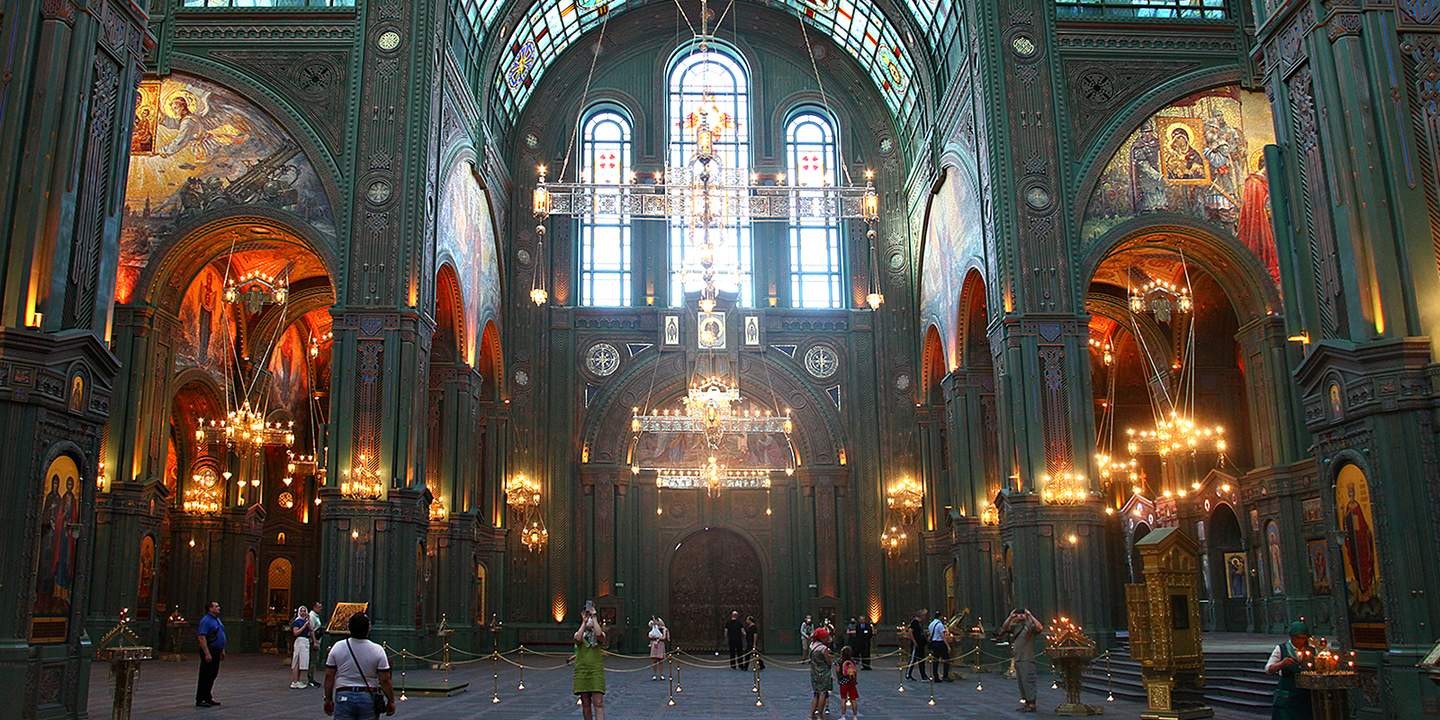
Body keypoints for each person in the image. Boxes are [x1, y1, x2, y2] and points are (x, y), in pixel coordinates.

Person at [323, 612, 395, 719]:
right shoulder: (377, 650)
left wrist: (328, 699)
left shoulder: (337, 647)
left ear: (349, 627)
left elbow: (329, 676)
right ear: (368, 628)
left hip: (344, 694)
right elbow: (385, 680)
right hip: (367, 696)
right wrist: (391, 700)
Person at [1265, 621, 1313, 720]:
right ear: (1292, 637)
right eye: (1298, 638)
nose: (1301, 641)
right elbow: (1268, 669)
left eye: (1304, 638)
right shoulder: (1281, 649)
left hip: (1305, 696)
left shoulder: (1312, 650)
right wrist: (1282, 664)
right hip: (1288, 695)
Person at [1001, 608, 1043, 712]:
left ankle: (1032, 703)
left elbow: (1040, 627)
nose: (1020, 616)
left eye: (1022, 614)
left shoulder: (1030, 626)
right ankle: (1026, 702)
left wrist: (1030, 615)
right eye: (1018, 614)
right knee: (1021, 682)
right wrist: (1010, 617)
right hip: (1018, 658)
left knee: (1028, 680)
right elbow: (1005, 627)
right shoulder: (1016, 626)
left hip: (1026, 658)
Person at [573, 601, 607, 720]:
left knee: (598, 702)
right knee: (586, 704)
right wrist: (584, 621)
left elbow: (599, 635)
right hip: (582, 671)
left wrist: (594, 617)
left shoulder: (600, 634)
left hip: (595, 671)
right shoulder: (578, 633)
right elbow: (578, 638)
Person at [195, 600, 226, 707]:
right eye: (216, 606)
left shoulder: (217, 619)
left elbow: (220, 633)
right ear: (210, 609)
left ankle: (207, 697)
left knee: (213, 674)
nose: (219, 608)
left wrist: (222, 649)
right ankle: (201, 699)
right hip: (210, 649)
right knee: (205, 675)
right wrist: (207, 653)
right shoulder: (206, 620)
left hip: (216, 650)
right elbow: (201, 637)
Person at [808, 626, 835, 720]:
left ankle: (811, 714)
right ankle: (820, 714)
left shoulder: (812, 646)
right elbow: (829, 662)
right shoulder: (823, 648)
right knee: (823, 693)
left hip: (814, 672)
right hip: (824, 673)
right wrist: (830, 658)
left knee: (816, 694)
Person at [290, 605, 313, 689]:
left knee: (302, 662)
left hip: (306, 641)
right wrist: (304, 626)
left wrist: (308, 621)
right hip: (300, 641)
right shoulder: (297, 622)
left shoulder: (306, 621)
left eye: (304, 611)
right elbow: (295, 633)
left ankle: (298, 680)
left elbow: (311, 630)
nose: (303, 613)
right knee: (297, 661)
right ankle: (294, 681)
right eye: (301, 611)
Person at [927, 609, 952, 681]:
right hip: (940, 643)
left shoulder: (931, 624)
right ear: (940, 617)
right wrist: (948, 645)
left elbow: (929, 634)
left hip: (934, 643)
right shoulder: (940, 625)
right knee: (946, 659)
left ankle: (936, 676)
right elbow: (942, 636)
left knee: (935, 660)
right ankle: (945, 675)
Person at [836, 645, 860, 720]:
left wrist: (838, 677)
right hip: (851, 682)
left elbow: (837, 671)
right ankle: (855, 716)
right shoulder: (852, 661)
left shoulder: (839, 661)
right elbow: (855, 671)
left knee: (843, 699)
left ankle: (843, 716)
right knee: (853, 699)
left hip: (843, 682)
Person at [906, 610, 929, 681]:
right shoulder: (914, 622)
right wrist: (914, 641)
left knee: (921, 660)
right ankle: (908, 674)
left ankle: (923, 675)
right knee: (913, 659)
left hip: (921, 644)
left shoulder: (920, 623)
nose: (925, 617)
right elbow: (910, 632)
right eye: (924, 615)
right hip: (916, 644)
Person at [309, 601, 326, 687]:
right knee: (312, 660)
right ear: (314, 607)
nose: (321, 609)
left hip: (317, 640)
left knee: (314, 660)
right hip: (313, 641)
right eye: (319, 607)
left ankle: (311, 678)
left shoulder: (316, 616)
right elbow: (311, 630)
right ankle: (310, 679)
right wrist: (314, 641)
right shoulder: (312, 616)